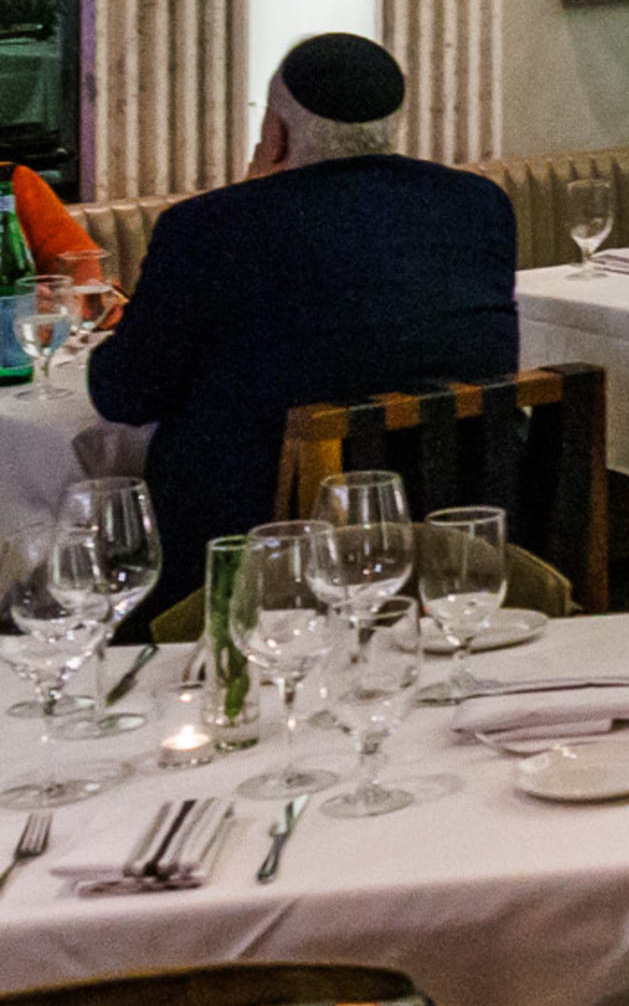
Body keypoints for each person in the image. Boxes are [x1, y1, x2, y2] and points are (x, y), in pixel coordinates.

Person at [84, 34, 519, 616]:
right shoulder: (478, 205)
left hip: (256, 548)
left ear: (275, 134)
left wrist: (244, 197)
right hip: (457, 530)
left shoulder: (209, 229)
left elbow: (124, 393)